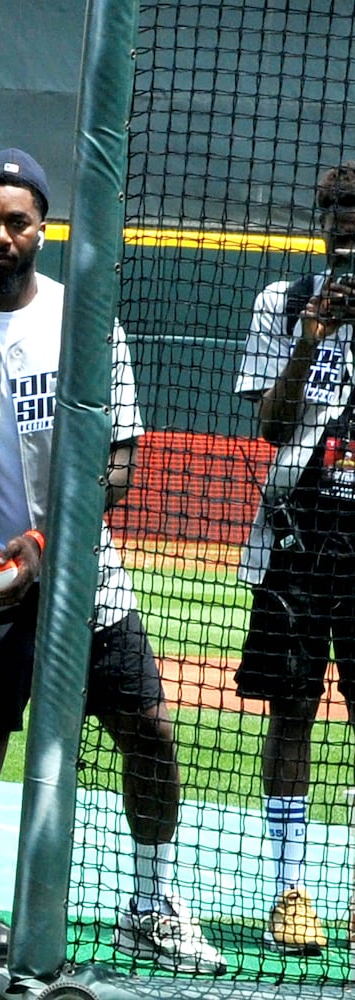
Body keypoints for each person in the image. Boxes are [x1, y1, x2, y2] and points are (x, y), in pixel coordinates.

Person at [0, 148, 226, 998]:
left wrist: (51, 541)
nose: (0, 234)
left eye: (17, 220)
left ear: (43, 231)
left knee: (151, 730)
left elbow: (121, 455)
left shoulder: (82, 323)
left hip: (82, 574)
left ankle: (149, 901)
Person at [233, 158, 355, 957]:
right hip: (298, 538)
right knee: (292, 711)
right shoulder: (283, 302)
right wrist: (311, 338)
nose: (345, 220)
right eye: (334, 208)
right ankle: (290, 891)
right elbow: (272, 429)